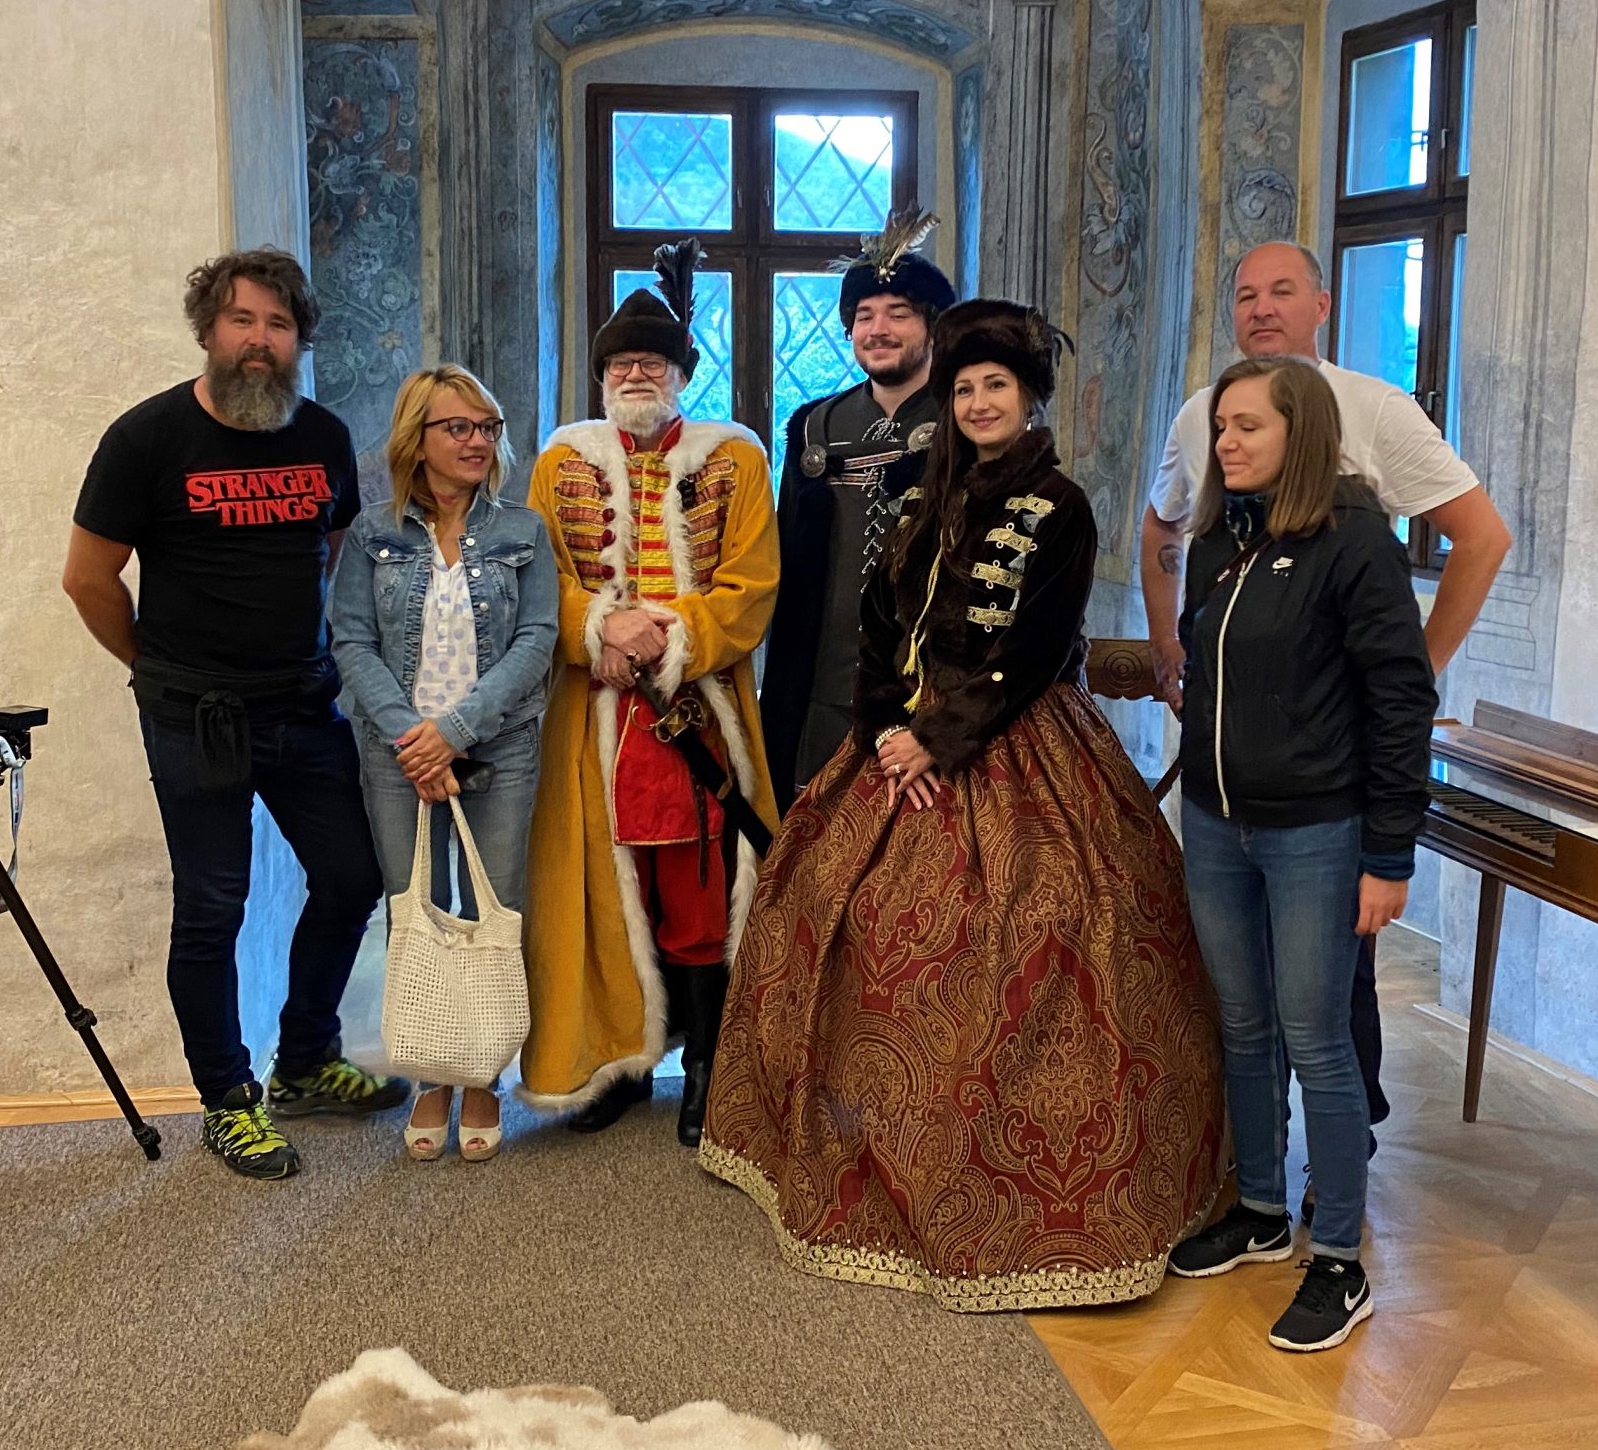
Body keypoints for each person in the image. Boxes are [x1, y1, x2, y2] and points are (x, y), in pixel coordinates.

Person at [702, 299, 1225, 1311]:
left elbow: (1036, 649)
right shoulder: (919, 497)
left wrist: (940, 740)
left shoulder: (1060, 505)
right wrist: (882, 730)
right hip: (897, 737)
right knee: (828, 913)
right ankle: (851, 1155)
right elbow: (875, 624)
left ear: (1027, 399)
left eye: (997, 387)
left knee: (1044, 927)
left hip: (1016, 741)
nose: (981, 402)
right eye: (967, 388)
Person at [1139, 240, 1511, 1148]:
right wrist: (1168, 646)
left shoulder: (1373, 409)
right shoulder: (1203, 413)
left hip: (1326, 773)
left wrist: (1412, 671)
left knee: (1333, 991)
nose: (1262, 308)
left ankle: (1342, 1157)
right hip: (1232, 770)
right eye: (1246, 295)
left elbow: (1480, 537)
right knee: (1241, 990)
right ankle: (1255, 1166)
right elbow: (1163, 525)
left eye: (1282, 291)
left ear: (1323, 304)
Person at [64, 250, 409, 1181]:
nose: (260, 341)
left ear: (300, 340)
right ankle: (227, 1100)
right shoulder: (146, 439)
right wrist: (157, 670)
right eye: (243, 321)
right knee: (214, 906)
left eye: (279, 325)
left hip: (301, 703)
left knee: (353, 875)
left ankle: (304, 1062)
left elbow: (331, 554)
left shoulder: (325, 437)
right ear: (209, 331)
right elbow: (88, 580)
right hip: (195, 718)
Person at [1164, 357, 1437, 1354]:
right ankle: (1260, 1210)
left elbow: (1401, 700)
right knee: (1243, 1025)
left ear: (1303, 433)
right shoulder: (1218, 539)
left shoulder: (1354, 541)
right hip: (1216, 824)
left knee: (1316, 1036)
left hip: (1317, 832)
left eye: (1249, 426)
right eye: (1221, 427)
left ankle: (1338, 1260)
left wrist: (1388, 853)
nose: (1226, 442)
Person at [521, 239, 780, 1146]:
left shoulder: (736, 460)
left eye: (653, 362)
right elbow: (540, 578)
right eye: (621, 363)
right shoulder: (558, 462)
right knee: (603, 888)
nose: (636, 374)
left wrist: (662, 638)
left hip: (699, 707)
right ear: (601, 377)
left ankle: (707, 1061)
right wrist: (598, 628)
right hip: (590, 713)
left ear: (681, 375)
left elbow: (752, 583)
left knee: (701, 887)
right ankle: (619, 1059)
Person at [330, 365, 554, 1163]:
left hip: (500, 744)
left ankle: (482, 1073)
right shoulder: (372, 534)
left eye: (487, 427)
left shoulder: (523, 531)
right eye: (458, 427)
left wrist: (454, 730)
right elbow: (351, 640)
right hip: (399, 755)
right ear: (416, 438)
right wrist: (412, 739)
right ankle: (431, 1073)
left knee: (496, 910)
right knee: (414, 911)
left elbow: (537, 639)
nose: (478, 441)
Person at [757, 209, 954, 810]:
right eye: (865, 315)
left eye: (899, 313)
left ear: (932, 326)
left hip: (931, 689)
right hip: (825, 682)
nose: (879, 329)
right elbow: (788, 555)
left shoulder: (964, 418)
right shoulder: (816, 426)